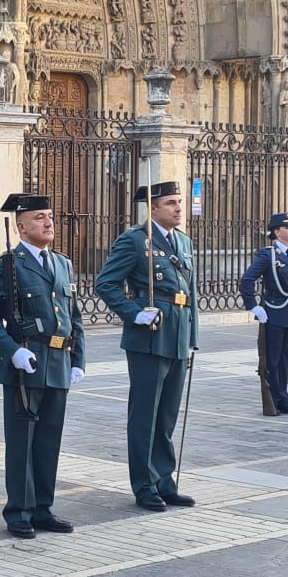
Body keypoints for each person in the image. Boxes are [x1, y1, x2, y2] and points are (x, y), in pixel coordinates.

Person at [0, 192, 84, 538]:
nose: (49, 222)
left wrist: (77, 359)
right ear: (21, 227)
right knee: (22, 442)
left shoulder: (63, 263)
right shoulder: (6, 264)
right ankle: (19, 510)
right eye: (40, 217)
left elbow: (74, 317)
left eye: (50, 215)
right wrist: (12, 352)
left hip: (58, 362)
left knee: (49, 441)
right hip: (26, 363)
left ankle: (42, 508)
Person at [96, 181, 198, 512]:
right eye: (170, 203)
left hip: (178, 334)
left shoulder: (182, 241)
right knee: (144, 416)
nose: (178, 208)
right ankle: (143, 485)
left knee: (167, 416)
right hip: (150, 335)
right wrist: (134, 313)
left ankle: (164, 481)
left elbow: (190, 294)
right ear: (153, 208)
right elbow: (106, 283)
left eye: (179, 202)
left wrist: (192, 338)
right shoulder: (135, 240)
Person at [240, 212, 288, 416]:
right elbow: (247, 279)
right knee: (273, 360)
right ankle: (273, 399)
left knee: (286, 359)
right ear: (276, 232)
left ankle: (282, 398)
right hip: (275, 312)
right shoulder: (269, 255)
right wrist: (254, 306)